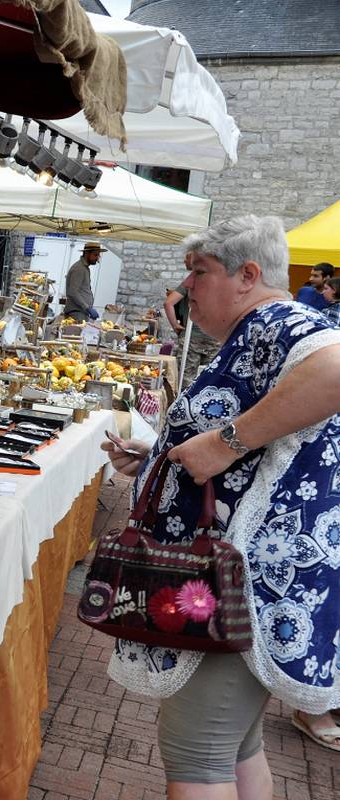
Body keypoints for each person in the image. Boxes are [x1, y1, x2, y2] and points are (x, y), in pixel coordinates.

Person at [100, 215, 340, 799]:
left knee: (197, 752)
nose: (186, 285)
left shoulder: (278, 321)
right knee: (230, 746)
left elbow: (335, 371)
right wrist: (161, 462)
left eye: (199, 272)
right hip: (238, 583)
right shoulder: (258, 330)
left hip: (241, 586)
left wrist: (223, 443)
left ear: (248, 275)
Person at [163, 263, 220, 389]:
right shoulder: (223, 283)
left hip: (191, 337)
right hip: (215, 338)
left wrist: (175, 325)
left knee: (184, 382)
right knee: (209, 382)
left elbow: (168, 303)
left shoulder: (192, 280)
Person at [64, 241, 102, 322]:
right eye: (95, 255)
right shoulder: (79, 268)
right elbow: (73, 292)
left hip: (81, 312)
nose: (97, 258)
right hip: (76, 313)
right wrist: (87, 307)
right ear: (87, 253)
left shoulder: (84, 268)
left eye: (98, 255)